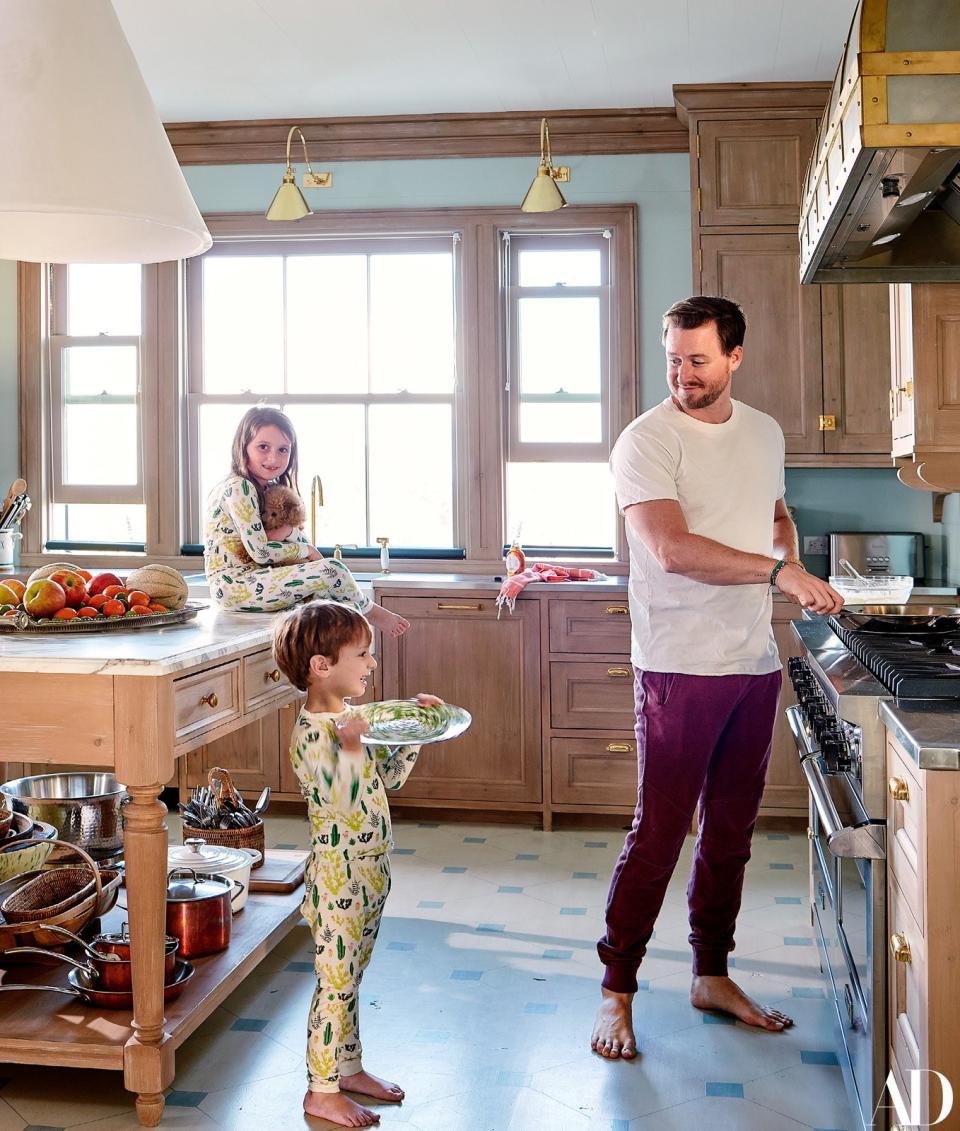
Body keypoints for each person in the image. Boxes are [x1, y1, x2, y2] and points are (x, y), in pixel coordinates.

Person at [590, 295, 843, 1061]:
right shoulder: (646, 441)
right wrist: (779, 571)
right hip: (677, 664)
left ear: (735, 356)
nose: (683, 374)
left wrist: (786, 553)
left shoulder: (764, 431)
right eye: (673, 358)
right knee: (661, 832)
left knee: (730, 833)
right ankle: (617, 989)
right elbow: (670, 549)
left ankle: (711, 972)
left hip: (751, 664)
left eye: (698, 359)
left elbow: (773, 513)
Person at [272, 599, 443, 1127]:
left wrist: (414, 733)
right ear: (322, 666)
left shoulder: (348, 722)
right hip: (339, 876)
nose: (372, 664)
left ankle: (347, 1068)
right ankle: (320, 1091)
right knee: (335, 981)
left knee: (354, 975)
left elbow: (385, 780)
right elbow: (344, 804)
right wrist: (350, 747)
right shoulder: (314, 735)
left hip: (371, 869)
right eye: (363, 655)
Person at [203, 406, 408, 638]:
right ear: (243, 447)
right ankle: (371, 613)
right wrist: (307, 550)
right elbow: (260, 552)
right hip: (235, 587)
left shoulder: (265, 489)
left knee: (324, 598)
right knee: (332, 569)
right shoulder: (239, 487)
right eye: (263, 447)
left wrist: (292, 534)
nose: (274, 458)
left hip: (251, 582)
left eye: (283, 449)